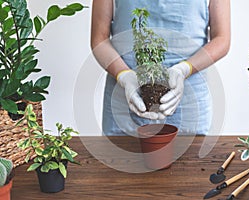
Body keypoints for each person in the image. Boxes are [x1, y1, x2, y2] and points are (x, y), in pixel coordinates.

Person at [91, 0, 230, 136]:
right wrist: (124, 75)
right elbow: (99, 39)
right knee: (122, 158)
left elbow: (222, 39)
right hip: (124, 104)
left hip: (189, 108)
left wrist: (184, 69)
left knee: (191, 157)